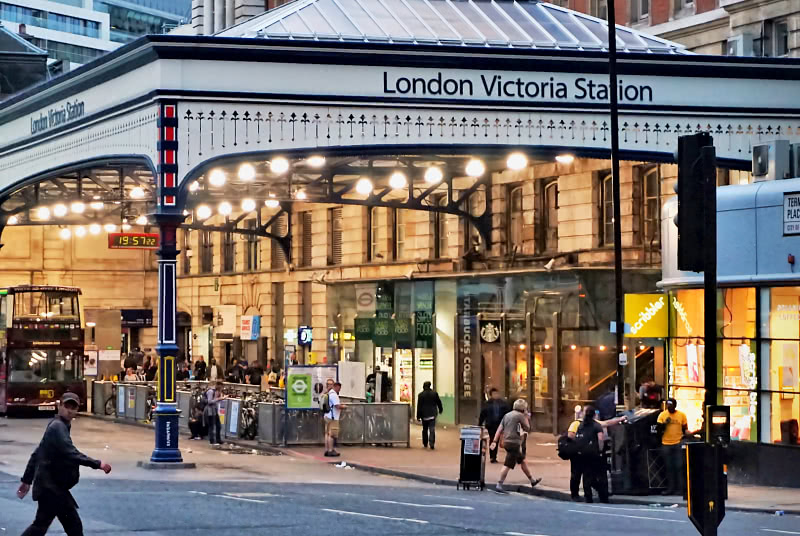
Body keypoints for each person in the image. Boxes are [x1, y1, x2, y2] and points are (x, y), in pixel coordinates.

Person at [17, 392, 112, 536]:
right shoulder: (57, 428)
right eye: (66, 406)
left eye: (73, 408)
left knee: (53, 524)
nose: (69, 411)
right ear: (59, 406)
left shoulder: (57, 426)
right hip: (51, 487)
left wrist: (26, 480)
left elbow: (37, 454)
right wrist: (98, 464)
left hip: (51, 486)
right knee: (63, 525)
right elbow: (70, 452)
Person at [490, 399, 542, 493]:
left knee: (522, 461)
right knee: (507, 465)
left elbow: (499, 429)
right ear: (523, 408)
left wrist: (494, 441)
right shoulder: (520, 416)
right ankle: (499, 484)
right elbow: (527, 428)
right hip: (514, 443)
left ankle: (532, 480)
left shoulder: (507, 415)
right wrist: (526, 417)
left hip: (506, 441)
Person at [568, 406, 608, 503]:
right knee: (588, 476)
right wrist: (600, 450)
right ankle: (588, 497)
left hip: (578, 453)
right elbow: (600, 439)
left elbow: (572, 436)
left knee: (576, 475)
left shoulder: (580, 425)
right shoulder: (596, 425)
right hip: (591, 454)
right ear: (594, 415)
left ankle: (575, 495)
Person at [658, 398, 689, 495]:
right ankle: (670, 488)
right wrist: (664, 424)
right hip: (666, 443)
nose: (669, 407)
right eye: (668, 405)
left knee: (679, 466)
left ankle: (680, 489)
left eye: (671, 405)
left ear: (675, 405)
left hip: (678, 443)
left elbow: (685, 428)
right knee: (669, 467)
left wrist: (685, 437)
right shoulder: (663, 415)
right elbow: (658, 430)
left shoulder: (681, 415)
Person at [479, 388, 511, 463]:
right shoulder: (487, 404)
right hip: (491, 425)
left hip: (501, 424)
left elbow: (507, 413)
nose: (496, 395)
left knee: (506, 440)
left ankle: (512, 455)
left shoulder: (503, 403)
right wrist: (480, 424)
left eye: (497, 393)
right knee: (493, 440)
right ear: (491, 395)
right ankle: (493, 457)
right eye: (494, 394)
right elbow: (483, 414)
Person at [416, 381, 443, 450]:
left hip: (424, 415)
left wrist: (418, 416)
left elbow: (419, 406)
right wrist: (440, 409)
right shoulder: (434, 393)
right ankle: (432, 443)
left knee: (424, 429)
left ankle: (425, 443)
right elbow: (439, 402)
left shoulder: (421, 395)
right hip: (432, 414)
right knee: (432, 429)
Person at [324, 381, 344, 457]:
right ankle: (331, 450)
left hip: (327, 415)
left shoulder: (328, 393)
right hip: (333, 417)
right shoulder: (334, 395)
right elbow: (337, 406)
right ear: (336, 387)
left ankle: (327, 449)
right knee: (332, 435)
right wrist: (344, 406)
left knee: (327, 434)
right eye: (339, 388)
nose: (339, 390)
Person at [204, 380, 226, 445]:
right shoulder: (211, 391)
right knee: (211, 426)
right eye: (221, 387)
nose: (222, 388)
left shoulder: (216, 392)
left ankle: (218, 439)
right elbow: (209, 401)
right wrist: (219, 399)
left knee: (218, 425)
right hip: (210, 410)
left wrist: (221, 397)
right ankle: (212, 440)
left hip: (215, 410)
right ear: (218, 386)